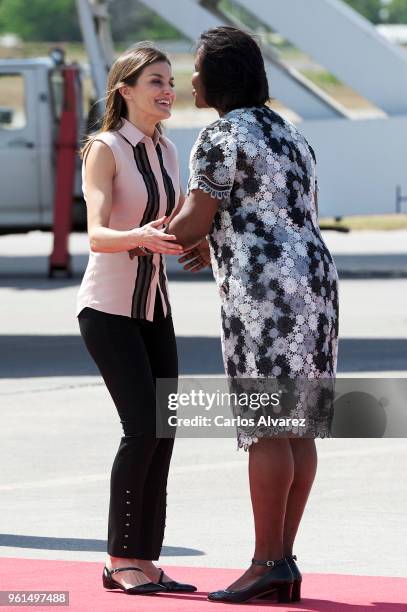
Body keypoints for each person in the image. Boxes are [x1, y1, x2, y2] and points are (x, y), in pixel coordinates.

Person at [169, 26, 339, 604]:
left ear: (219, 77)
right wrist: (214, 235)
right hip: (314, 281)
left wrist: (152, 237)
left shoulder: (220, 134)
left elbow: (192, 221)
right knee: (299, 422)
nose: (189, 78)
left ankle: (267, 562)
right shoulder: (289, 132)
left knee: (266, 422)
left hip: (263, 292)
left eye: (194, 67)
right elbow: (281, 209)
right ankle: (283, 560)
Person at [76, 43, 196, 596]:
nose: (168, 89)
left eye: (171, 80)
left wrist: (197, 245)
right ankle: (119, 557)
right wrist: (139, 237)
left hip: (155, 310)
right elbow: (96, 234)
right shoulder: (104, 148)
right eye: (155, 81)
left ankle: (147, 559)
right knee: (141, 429)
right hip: (108, 311)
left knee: (165, 431)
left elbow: (173, 222)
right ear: (124, 90)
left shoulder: (169, 149)